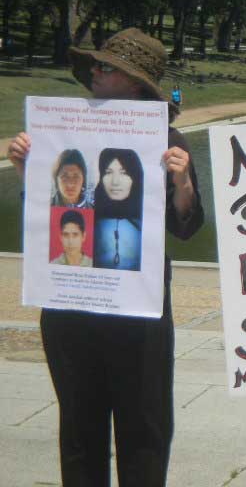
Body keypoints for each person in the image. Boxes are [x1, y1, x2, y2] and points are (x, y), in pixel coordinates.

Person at [6, 27, 204, 486]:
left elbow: (188, 227)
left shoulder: (168, 138)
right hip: (70, 306)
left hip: (140, 309)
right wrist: (28, 175)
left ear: (136, 83)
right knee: (78, 430)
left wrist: (183, 183)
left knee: (145, 431)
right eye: (95, 64)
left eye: (106, 66)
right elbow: (45, 224)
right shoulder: (60, 131)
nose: (94, 71)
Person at [93, 148, 145, 271]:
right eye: (108, 172)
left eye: (124, 173)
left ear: (135, 176)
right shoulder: (89, 219)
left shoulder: (148, 219)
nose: (115, 182)